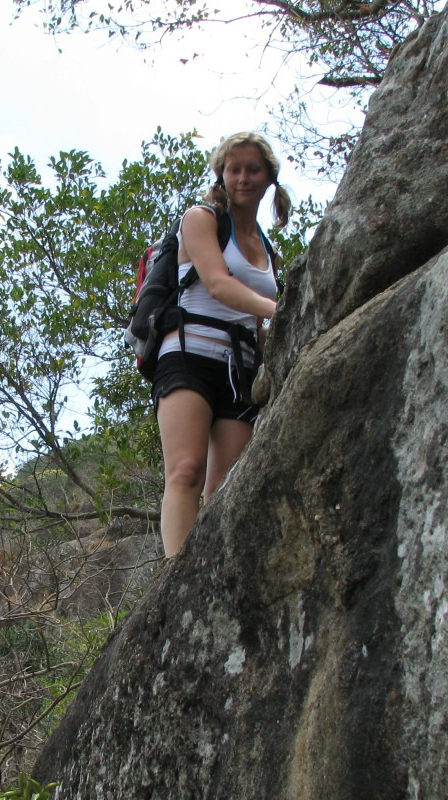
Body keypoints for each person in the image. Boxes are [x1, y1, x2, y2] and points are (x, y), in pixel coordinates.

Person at [153, 131, 292, 558]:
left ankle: (207, 573)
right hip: (188, 355)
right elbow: (217, 284)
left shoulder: (268, 250)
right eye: (235, 169)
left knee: (223, 489)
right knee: (186, 470)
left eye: (253, 169)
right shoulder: (201, 219)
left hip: (241, 368)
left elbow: (256, 321)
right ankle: (174, 579)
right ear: (222, 174)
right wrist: (281, 309)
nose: (243, 178)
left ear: (269, 177)